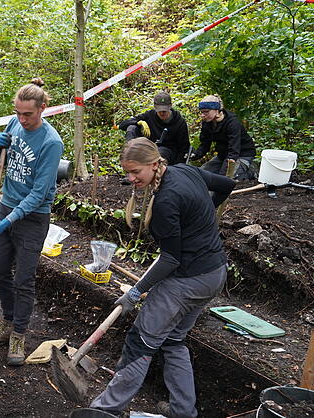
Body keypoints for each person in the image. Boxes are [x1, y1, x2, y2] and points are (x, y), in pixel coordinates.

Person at [89, 137, 235, 417]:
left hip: (187, 281)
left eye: (136, 172)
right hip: (214, 273)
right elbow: (227, 185)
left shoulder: (167, 200)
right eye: (127, 172)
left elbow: (170, 258)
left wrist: (135, 292)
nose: (131, 178)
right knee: (172, 340)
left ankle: (105, 410)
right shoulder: (186, 170)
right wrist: (203, 216)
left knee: (141, 341)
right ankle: (182, 411)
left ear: (155, 164)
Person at [0, 78, 64, 366]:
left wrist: (11, 218)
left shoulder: (51, 143)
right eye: (18, 113)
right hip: (7, 207)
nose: (22, 119)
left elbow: (40, 192)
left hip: (33, 217)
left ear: (43, 108)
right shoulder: (14, 124)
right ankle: (7, 322)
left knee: (24, 278)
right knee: (0, 270)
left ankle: (18, 333)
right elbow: (0, 162)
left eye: (28, 114)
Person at [189, 94, 256, 180]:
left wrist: (223, 174)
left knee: (227, 178)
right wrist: (193, 155)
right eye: (201, 112)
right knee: (201, 174)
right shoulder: (207, 123)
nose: (202, 115)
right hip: (223, 155)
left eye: (206, 112)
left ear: (217, 110)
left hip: (242, 155)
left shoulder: (232, 123)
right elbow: (205, 145)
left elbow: (234, 151)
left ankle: (251, 172)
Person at [117, 91, 190, 165]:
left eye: (164, 110)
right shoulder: (149, 115)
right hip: (149, 148)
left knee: (161, 152)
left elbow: (184, 148)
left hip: (167, 153)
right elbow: (122, 125)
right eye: (159, 110)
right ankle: (130, 156)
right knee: (132, 127)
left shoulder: (179, 122)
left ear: (170, 106)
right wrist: (139, 122)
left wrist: (178, 167)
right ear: (155, 107)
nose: (162, 113)